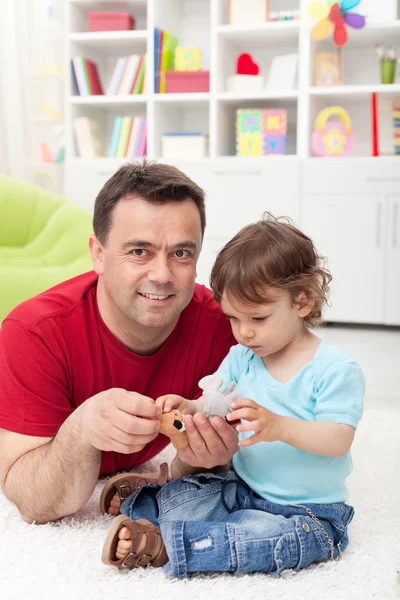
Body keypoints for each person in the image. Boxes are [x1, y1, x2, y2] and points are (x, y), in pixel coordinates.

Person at [101, 214, 365, 578]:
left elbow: (339, 438)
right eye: (233, 318)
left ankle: (166, 546)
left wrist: (280, 427)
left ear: (302, 302)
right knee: (199, 496)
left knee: (259, 540)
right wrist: (188, 406)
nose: (244, 333)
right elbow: (215, 402)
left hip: (307, 511)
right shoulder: (242, 357)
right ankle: (149, 502)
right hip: (241, 486)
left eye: (258, 319)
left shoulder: (333, 368)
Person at [0, 161, 238, 524]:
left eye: (181, 253)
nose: (161, 276)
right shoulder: (33, 332)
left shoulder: (224, 326)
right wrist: (82, 428)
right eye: (139, 252)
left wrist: (208, 458)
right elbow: (35, 503)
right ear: (97, 254)